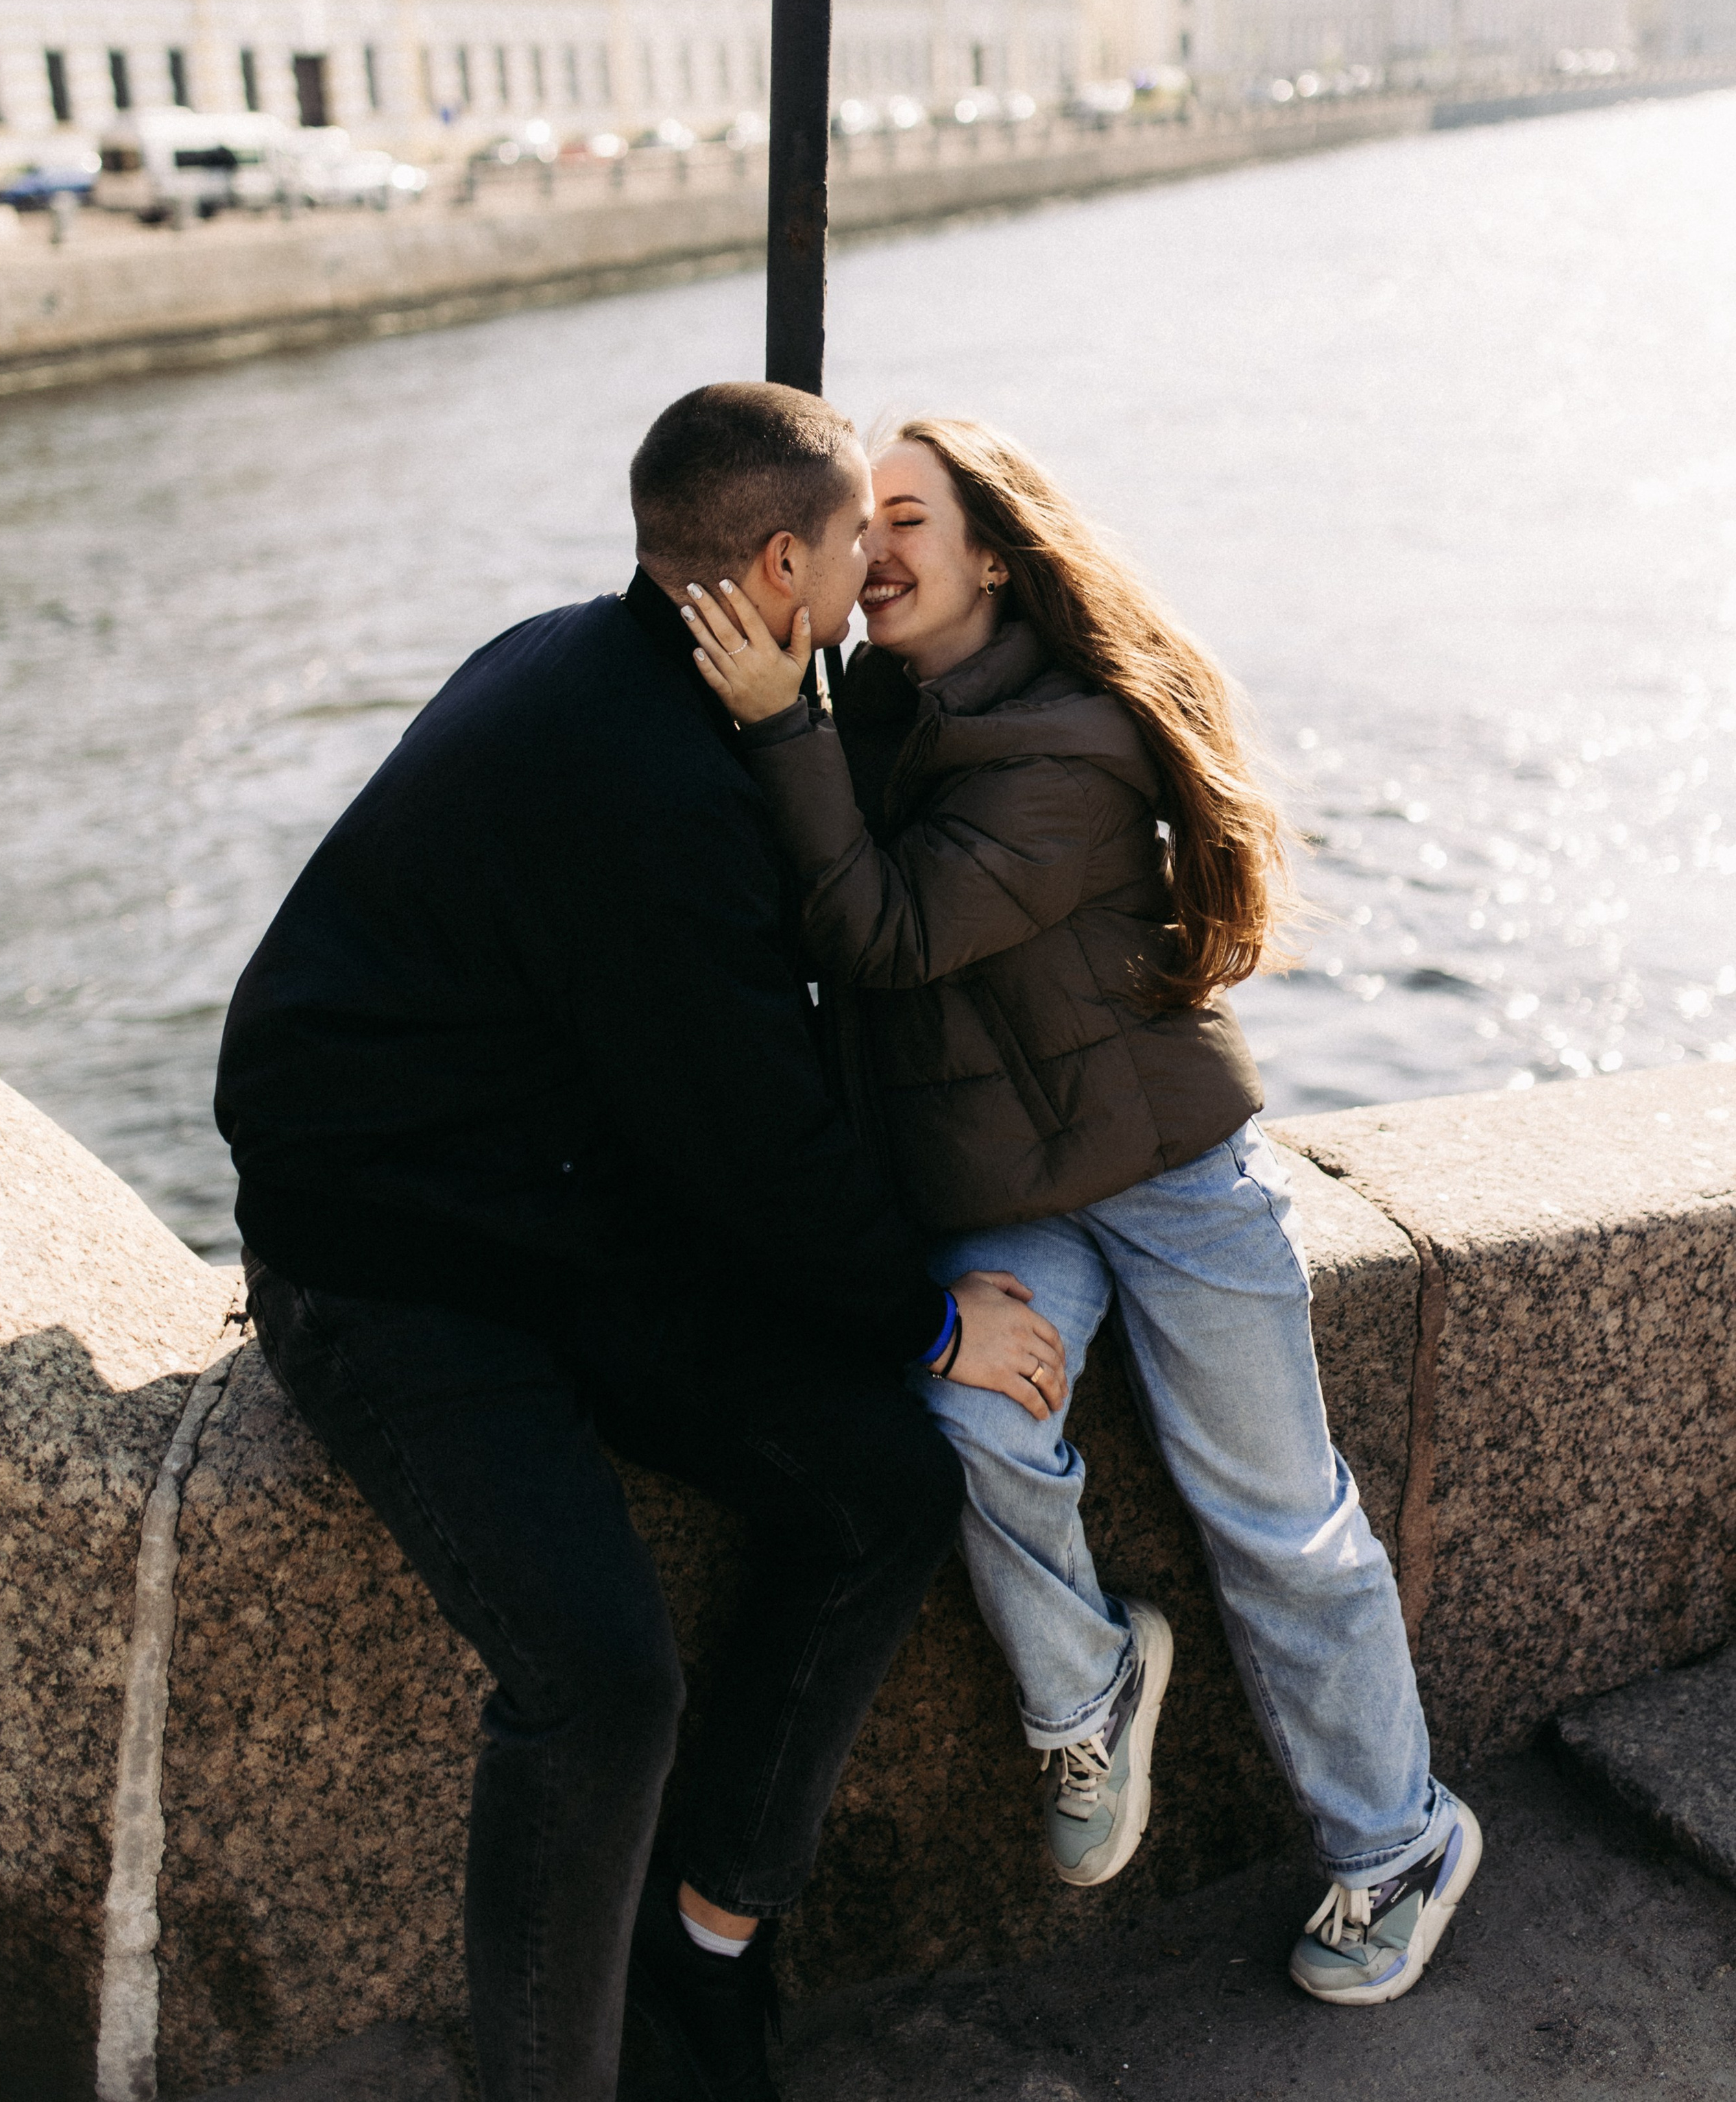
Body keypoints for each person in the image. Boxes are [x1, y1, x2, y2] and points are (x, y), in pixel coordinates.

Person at [214, 383, 1068, 2102]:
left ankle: (706, 1941)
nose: (864, 579)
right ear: (773, 562)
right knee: (598, 1690)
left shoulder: (600, 659)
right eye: (846, 547)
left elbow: (708, 1114)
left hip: (554, 1211)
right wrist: (922, 1322)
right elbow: (747, 1134)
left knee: (876, 1491)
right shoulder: (637, 777)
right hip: (391, 1266)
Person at [682, 412, 1482, 2008]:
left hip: (1170, 1180)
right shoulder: (884, 710)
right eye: (860, 519)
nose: (877, 546)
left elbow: (888, 932)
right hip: (1000, 1187)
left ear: (994, 550)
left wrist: (782, 734)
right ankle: (1090, 1688)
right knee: (965, 1409)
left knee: (1278, 1522)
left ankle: (1395, 1841)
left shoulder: (1067, 739)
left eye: (910, 516)